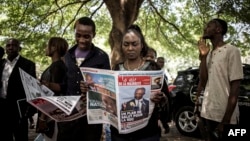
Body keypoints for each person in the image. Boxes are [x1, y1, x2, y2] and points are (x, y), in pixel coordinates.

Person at [111, 24, 169, 141]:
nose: (130, 48)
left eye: (134, 44)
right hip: (120, 134)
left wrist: (161, 98)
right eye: (126, 44)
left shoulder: (153, 68)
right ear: (122, 46)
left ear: (142, 45)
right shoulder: (117, 68)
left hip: (147, 133)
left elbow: (166, 96)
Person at [57, 16, 111, 141]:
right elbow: (64, 85)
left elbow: (108, 88)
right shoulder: (66, 56)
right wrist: (47, 85)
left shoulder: (102, 57)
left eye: (86, 36)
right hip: (68, 119)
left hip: (91, 120)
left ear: (94, 35)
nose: (81, 40)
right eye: (78, 35)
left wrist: (92, 88)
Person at [197, 18, 243, 140]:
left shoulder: (232, 51)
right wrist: (203, 57)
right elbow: (204, 80)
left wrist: (226, 120)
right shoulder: (209, 54)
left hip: (225, 116)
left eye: (209, 26)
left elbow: (235, 86)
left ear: (218, 29)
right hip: (208, 112)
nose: (205, 28)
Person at [0, 38, 36, 141]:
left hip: (19, 108)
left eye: (14, 45)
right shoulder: (1, 63)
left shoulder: (28, 64)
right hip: (2, 107)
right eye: (8, 45)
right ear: (5, 49)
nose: (11, 48)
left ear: (19, 48)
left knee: (21, 136)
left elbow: (31, 88)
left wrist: (29, 110)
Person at [35, 37, 68, 141]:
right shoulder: (57, 65)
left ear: (54, 48)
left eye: (47, 45)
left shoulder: (57, 67)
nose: (45, 48)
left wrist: (42, 118)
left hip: (51, 116)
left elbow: (52, 95)